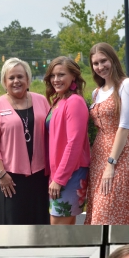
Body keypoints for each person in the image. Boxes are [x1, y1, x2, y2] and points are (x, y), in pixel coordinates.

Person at [0, 58, 50, 225]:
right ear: (4, 82)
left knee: (39, 223)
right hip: (10, 177)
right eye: (11, 78)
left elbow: (52, 133)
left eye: (20, 76)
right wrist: (1, 173)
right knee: (13, 225)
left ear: (28, 79)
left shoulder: (41, 100)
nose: (16, 81)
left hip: (40, 175)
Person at [88, 42, 129, 225]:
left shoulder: (126, 84)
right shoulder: (96, 93)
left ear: (113, 60)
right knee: (98, 211)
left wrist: (111, 163)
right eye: (95, 63)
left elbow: (125, 126)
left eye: (104, 61)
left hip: (118, 155)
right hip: (98, 155)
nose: (100, 67)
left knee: (106, 212)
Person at [43, 56, 90, 224]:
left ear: (73, 77)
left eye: (61, 75)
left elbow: (74, 143)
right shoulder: (59, 100)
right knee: (65, 230)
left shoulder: (74, 102)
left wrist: (59, 179)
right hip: (60, 174)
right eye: (53, 75)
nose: (56, 80)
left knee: (57, 231)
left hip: (70, 174)